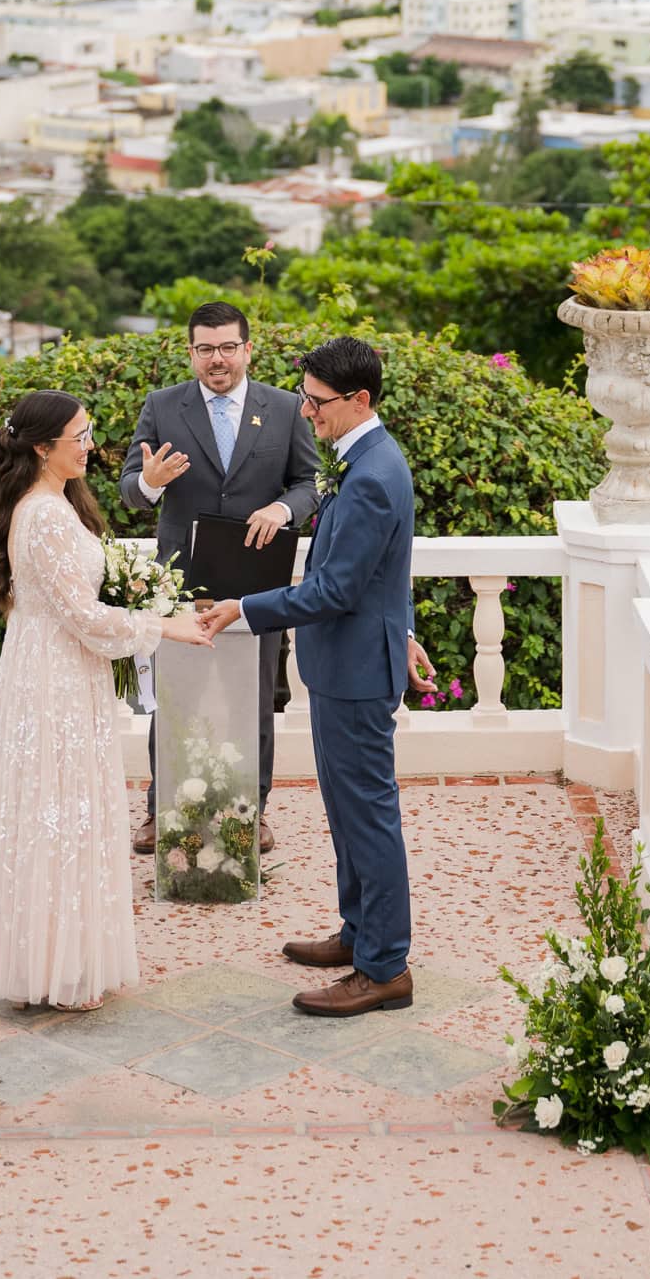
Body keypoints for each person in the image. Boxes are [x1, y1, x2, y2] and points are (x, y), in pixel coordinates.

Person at [0, 389, 214, 1011]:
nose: (91, 445)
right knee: (61, 811)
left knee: (57, 810)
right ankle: (57, 971)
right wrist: (167, 624)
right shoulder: (45, 514)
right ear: (44, 448)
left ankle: (47, 960)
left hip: (58, 668)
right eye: (80, 436)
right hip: (56, 680)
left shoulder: (52, 503)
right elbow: (83, 616)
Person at [206, 336, 434, 1019]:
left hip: (356, 670)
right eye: (304, 397)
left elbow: (333, 589)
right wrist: (408, 626)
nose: (305, 412)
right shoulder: (363, 457)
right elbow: (387, 566)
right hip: (352, 661)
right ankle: (359, 933)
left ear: (359, 399)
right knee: (347, 811)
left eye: (315, 401)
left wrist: (242, 606)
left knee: (368, 816)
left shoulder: (370, 474)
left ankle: (385, 966)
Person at [121, 299, 320, 857]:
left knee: (254, 700)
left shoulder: (283, 408)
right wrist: (153, 484)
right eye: (206, 348)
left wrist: (284, 510)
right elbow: (128, 487)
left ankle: (251, 812)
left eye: (228, 347)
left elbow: (310, 481)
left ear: (247, 349)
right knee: (175, 699)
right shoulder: (162, 407)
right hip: (180, 584)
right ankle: (161, 809)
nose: (218, 359)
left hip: (256, 581)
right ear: (191, 353)